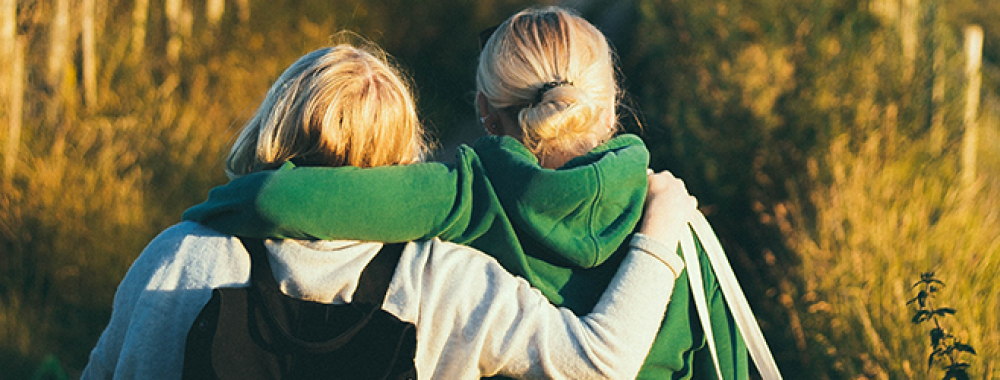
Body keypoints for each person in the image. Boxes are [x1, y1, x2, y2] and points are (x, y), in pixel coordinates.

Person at [183, 6, 748, 379]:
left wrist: (203, 214)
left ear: (483, 111)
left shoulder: (465, 193)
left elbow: (270, 202)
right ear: (610, 100)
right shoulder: (674, 226)